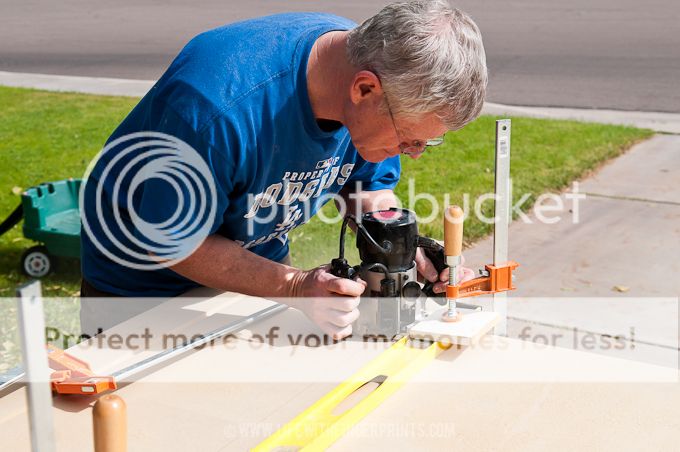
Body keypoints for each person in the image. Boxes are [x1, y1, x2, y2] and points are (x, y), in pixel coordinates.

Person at [80, 0, 487, 339]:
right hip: (143, 291)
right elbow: (170, 241)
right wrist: (294, 285)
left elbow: (366, 185)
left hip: (257, 268)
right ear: (365, 89)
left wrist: (398, 245)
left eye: (426, 141)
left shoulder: (371, 68)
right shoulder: (216, 107)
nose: (413, 153)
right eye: (409, 138)